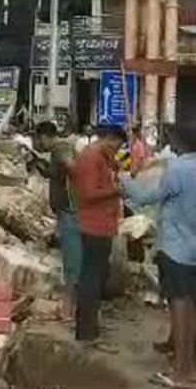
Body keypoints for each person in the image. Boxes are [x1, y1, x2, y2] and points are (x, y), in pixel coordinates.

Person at [121, 125, 196, 388]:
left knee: (180, 309)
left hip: (178, 250)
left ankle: (182, 374)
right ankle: (186, 364)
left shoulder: (179, 170)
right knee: (191, 310)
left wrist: (124, 179)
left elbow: (145, 197)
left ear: (179, 141)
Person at [72, 124, 127, 343]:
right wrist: (116, 191)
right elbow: (88, 193)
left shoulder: (100, 157)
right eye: (117, 145)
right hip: (94, 226)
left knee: (95, 277)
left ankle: (90, 327)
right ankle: (86, 331)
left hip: (102, 225)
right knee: (91, 279)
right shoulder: (91, 157)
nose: (117, 150)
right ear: (109, 139)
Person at [34, 121, 80, 319]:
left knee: (72, 262)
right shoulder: (58, 152)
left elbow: (72, 169)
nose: (38, 144)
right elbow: (59, 174)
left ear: (45, 136)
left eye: (38, 139)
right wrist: (43, 168)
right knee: (70, 261)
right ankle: (71, 308)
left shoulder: (61, 149)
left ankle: (70, 310)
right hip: (66, 212)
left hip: (70, 213)